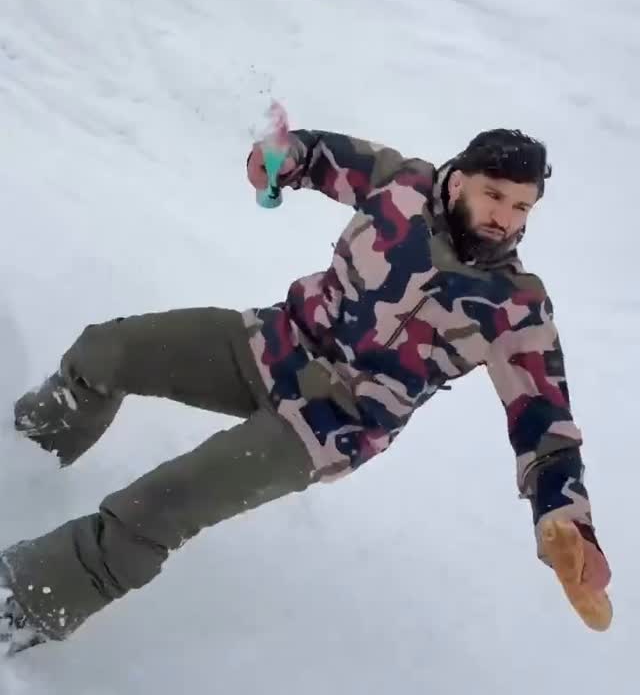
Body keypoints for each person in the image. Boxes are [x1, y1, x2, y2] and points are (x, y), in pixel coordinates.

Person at [0, 126, 611, 654]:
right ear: (458, 183)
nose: (505, 217)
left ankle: (21, 605)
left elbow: (546, 430)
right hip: (273, 345)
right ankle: (19, 460)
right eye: (494, 195)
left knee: (162, 501)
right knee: (106, 351)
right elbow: (311, 152)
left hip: (331, 425)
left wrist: (566, 522)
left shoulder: (516, 307)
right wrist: (277, 158)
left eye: (523, 207)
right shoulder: (400, 183)